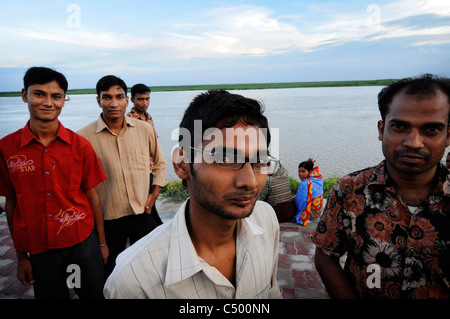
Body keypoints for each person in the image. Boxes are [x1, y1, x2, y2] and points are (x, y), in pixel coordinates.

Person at [104, 89, 282, 299]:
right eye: (225, 158)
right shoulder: (134, 281)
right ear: (182, 164)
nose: (250, 181)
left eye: (259, 160)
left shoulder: (266, 219)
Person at [312, 74, 450, 299]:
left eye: (431, 130)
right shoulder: (349, 190)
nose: (413, 142)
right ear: (381, 129)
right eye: (399, 127)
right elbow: (326, 255)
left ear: (448, 136)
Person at [0, 66, 108, 299]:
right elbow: (11, 203)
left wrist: (101, 244)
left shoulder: (80, 146)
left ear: (63, 101)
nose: (48, 102)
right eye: (39, 94)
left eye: (56, 96)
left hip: (82, 244)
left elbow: (92, 197)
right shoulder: (7, 148)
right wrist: (20, 257)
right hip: (40, 250)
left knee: (94, 295)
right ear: (24, 95)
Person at [78, 75, 167, 278]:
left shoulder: (144, 129)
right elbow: (80, 183)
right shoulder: (83, 137)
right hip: (108, 218)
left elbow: (160, 162)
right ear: (98, 100)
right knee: (111, 270)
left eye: (119, 97)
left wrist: (155, 192)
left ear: (127, 100)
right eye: (107, 97)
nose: (113, 103)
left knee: (150, 266)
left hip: (142, 211)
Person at [294, 159, 324, 226]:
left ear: (310, 171)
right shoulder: (318, 178)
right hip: (318, 212)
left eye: (303, 171)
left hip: (310, 214)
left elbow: (299, 203)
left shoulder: (305, 183)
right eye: (299, 171)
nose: (300, 174)